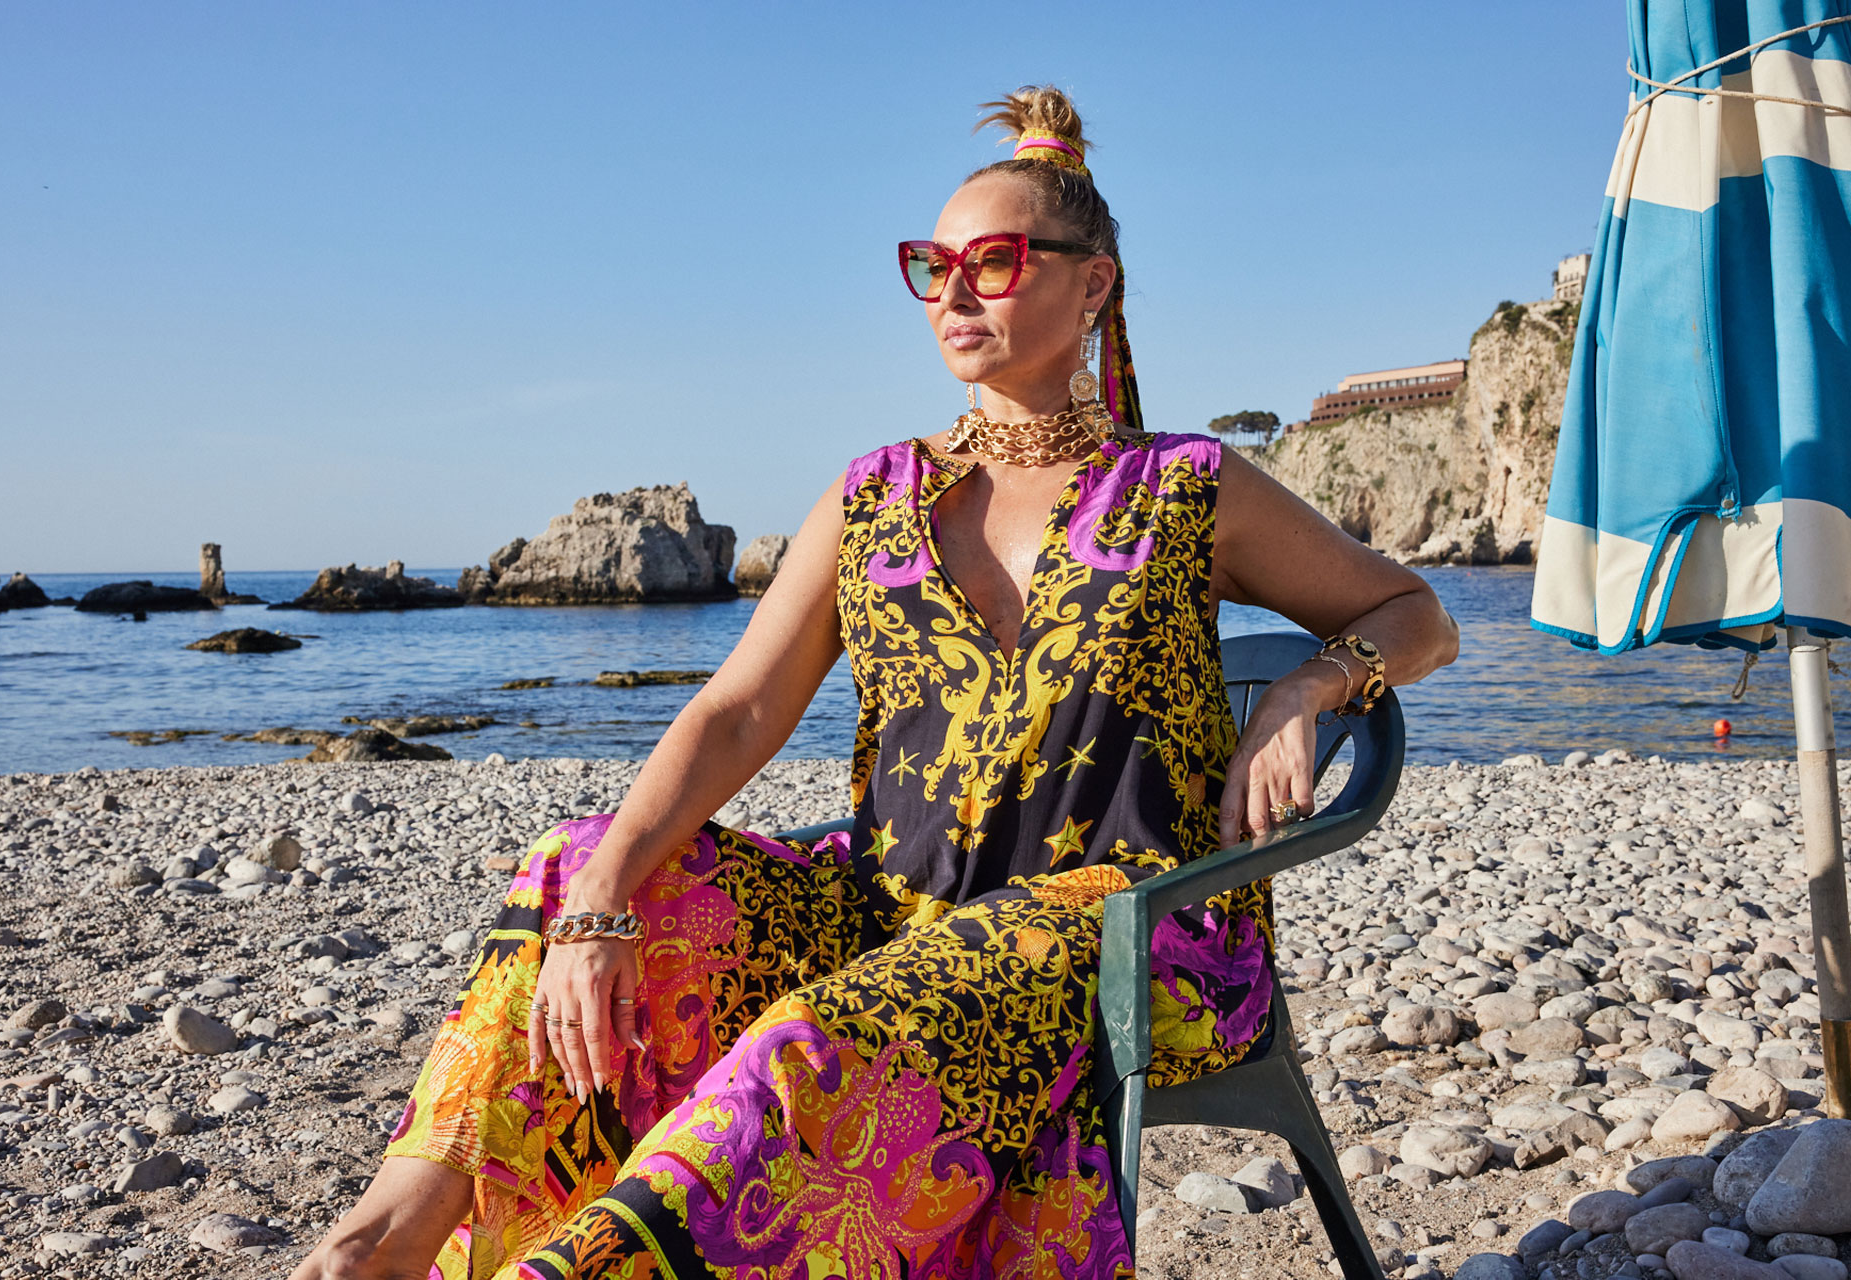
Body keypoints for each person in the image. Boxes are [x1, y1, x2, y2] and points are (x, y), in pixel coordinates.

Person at [293, 85, 1457, 1280]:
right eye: (932, 265)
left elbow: (1416, 610)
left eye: (994, 263)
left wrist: (1309, 690)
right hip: (892, 908)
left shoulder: (1187, 486)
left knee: (813, 1034)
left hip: (1134, 932)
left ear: (1092, 283)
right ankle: (385, 1239)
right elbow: (740, 708)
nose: (953, 294)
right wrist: (600, 889)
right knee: (575, 870)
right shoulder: (872, 498)